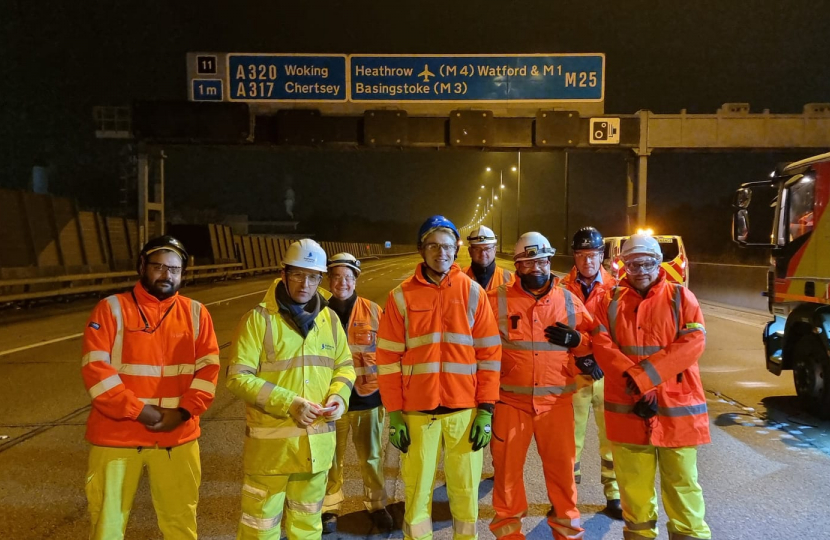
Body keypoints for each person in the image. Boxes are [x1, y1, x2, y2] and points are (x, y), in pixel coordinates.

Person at [81, 235, 220, 540]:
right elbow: (96, 370)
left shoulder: (197, 313)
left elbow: (208, 371)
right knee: (107, 526)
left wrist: (183, 412)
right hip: (117, 437)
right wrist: (138, 410)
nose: (166, 274)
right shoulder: (111, 309)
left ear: (183, 273)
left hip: (177, 436)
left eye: (174, 269)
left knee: (180, 524)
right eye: (158, 266)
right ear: (142, 266)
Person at [376, 215, 501, 540]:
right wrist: (394, 413)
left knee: (465, 495)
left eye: (447, 245)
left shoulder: (473, 293)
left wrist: (486, 411)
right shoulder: (400, 296)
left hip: (464, 412)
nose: (441, 252)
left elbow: (489, 354)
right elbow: (388, 358)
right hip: (418, 414)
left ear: (456, 249)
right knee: (416, 495)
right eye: (433, 245)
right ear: (421, 250)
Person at [226, 238, 356, 540]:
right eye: (298, 274)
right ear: (283, 274)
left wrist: (338, 397)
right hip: (272, 451)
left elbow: (344, 366)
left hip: (316, 448)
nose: (305, 284)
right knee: (260, 528)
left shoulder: (330, 319)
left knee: (308, 526)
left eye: (312, 277)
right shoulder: (258, 320)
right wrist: (290, 403)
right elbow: (238, 377)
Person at [592, 233, 711, 540]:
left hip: (675, 411)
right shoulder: (609, 301)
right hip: (630, 411)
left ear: (659, 263)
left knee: (683, 488)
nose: (641, 270)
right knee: (635, 495)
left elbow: (693, 342)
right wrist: (640, 385)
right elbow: (601, 345)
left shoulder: (681, 298)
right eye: (633, 264)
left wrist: (643, 380)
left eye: (647, 263)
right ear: (623, 266)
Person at [486, 232, 590, 540]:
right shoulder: (497, 300)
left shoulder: (569, 301)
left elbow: (592, 343)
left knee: (563, 477)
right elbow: (478, 348)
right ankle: (508, 535)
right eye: (529, 263)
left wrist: (578, 340)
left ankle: (568, 534)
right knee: (506, 478)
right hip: (509, 404)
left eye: (542, 261)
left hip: (556, 405)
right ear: (517, 266)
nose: (537, 268)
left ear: (550, 262)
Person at [321, 252, 393, 534]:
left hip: (368, 397)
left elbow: (388, 353)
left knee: (372, 457)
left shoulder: (374, 311)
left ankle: (376, 505)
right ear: (330, 280)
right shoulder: (318, 312)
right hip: (330, 400)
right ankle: (329, 508)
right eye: (336, 276)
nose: (342, 282)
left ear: (355, 280)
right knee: (330, 460)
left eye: (348, 277)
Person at [559, 227, 622, 520]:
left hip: (607, 375)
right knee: (570, 442)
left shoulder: (617, 288)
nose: (588, 261)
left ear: (602, 256)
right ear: (575, 256)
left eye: (593, 255)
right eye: (582, 255)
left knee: (612, 439)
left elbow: (620, 333)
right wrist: (583, 357)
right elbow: (557, 332)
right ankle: (567, 498)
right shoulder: (560, 287)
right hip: (574, 374)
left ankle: (614, 495)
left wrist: (598, 357)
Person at [463, 225, 513, 290]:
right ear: (470, 251)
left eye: (487, 249)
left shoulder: (511, 279)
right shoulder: (459, 277)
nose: (483, 254)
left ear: (494, 250)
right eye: (477, 249)